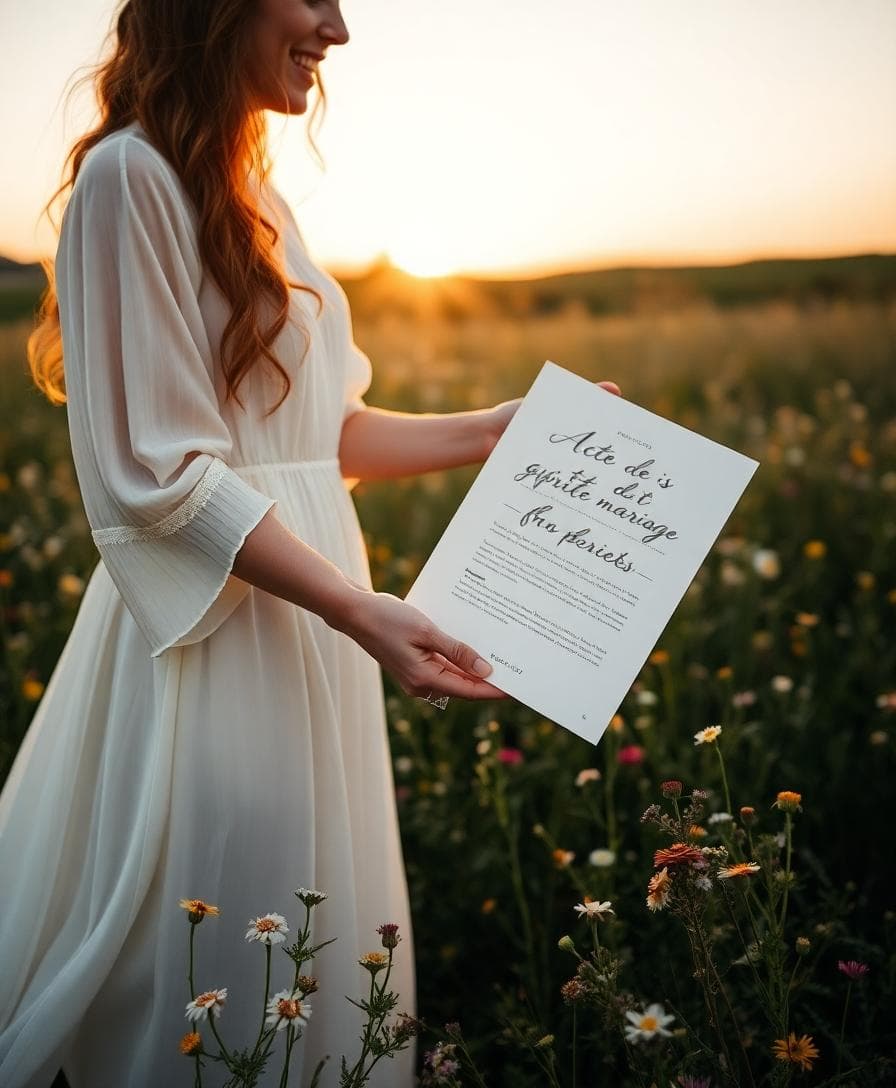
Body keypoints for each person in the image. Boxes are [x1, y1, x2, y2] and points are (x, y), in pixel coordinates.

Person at [0, 1, 621, 1085]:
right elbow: (163, 473)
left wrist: (490, 429)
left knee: (311, 924)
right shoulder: (129, 177)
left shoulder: (258, 193)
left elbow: (315, 436)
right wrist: (353, 606)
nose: (337, 27)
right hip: (220, 626)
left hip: (323, 618)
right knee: (220, 928)